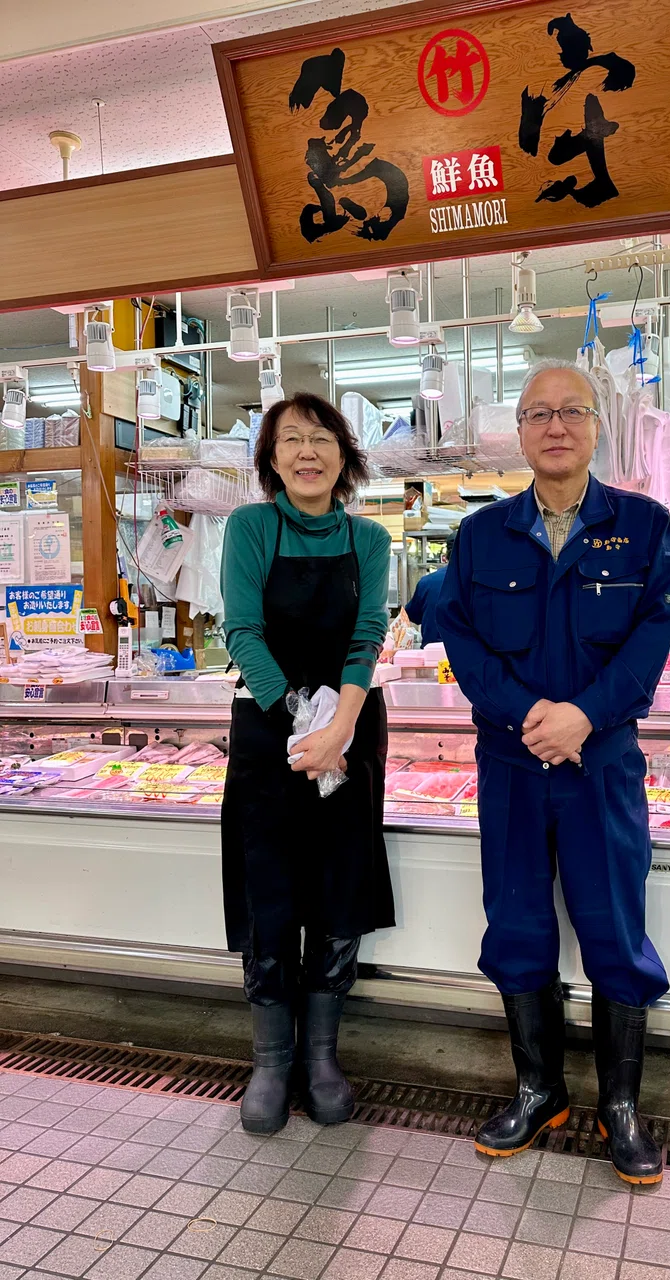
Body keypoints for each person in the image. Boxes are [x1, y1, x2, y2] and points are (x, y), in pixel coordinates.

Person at [437, 359, 670, 1185]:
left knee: (614, 928)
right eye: (538, 414)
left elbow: (649, 643)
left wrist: (582, 717)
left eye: (570, 411)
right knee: (515, 926)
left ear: (596, 424)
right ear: (519, 429)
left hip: (601, 766)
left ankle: (620, 1107)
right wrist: (527, 719)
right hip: (510, 764)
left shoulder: (646, 528)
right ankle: (539, 1089)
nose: (555, 426)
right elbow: (463, 647)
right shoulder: (478, 536)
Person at [220, 391, 394, 1135]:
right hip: (270, 735)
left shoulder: (370, 540)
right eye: (291, 440)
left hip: (349, 734)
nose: (307, 453)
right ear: (272, 458)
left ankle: (321, 1055)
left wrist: (339, 726)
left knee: (336, 888)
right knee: (270, 891)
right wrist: (302, 721)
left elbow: (367, 633)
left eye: (321, 439)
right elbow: (242, 629)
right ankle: (270, 1058)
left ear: (344, 456)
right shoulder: (250, 526)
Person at [404, 532, 457, 645]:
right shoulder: (478, 584)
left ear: (446, 557)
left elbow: (412, 615)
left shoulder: (427, 582)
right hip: (468, 655)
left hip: (431, 655)